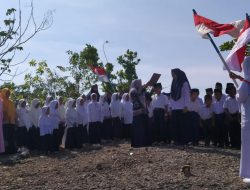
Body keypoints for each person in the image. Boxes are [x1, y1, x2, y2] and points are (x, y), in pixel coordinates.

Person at [229, 56, 250, 184]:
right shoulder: (245, 82)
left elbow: (239, 98)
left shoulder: (245, 83)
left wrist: (238, 85)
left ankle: (248, 172)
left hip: (248, 120)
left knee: (248, 146)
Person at [170, 68, 191, 145]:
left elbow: (187, 95)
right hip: (175, 108)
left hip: (182, 108)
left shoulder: (184, 83)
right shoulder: (174, 83)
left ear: (178, 74)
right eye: (172, 75)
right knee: (175, 125)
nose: (173, 76)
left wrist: (186, 106)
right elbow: (172, 96)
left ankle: (184, 141)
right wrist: (171, 107)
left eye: (174, 74)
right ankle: (176, 140)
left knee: (182, 125)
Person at [1, 88, 17, 154]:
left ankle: (12, 150)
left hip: (12, 121)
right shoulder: (2, 101)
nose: (8, 94)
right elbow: (3, 111)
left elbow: (14, 111)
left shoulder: (11, 101)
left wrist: (15, 120)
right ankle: (6, 150)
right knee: (6, 136)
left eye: (9, 93)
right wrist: (6, 118)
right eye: (7, 93)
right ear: (3, 93)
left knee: (12, 136)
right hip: (5, 122)